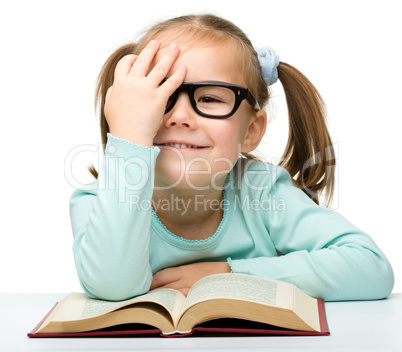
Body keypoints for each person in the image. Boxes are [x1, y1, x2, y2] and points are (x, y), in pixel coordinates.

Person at [69, 14, 394, 302]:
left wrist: (229, 275)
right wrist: (128, 139)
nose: (179, 116)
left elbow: (370, 267)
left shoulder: (262, 191)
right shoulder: (96, 200)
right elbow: (111, 286)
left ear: (251, 129)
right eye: (161, 96)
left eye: (209, 98)